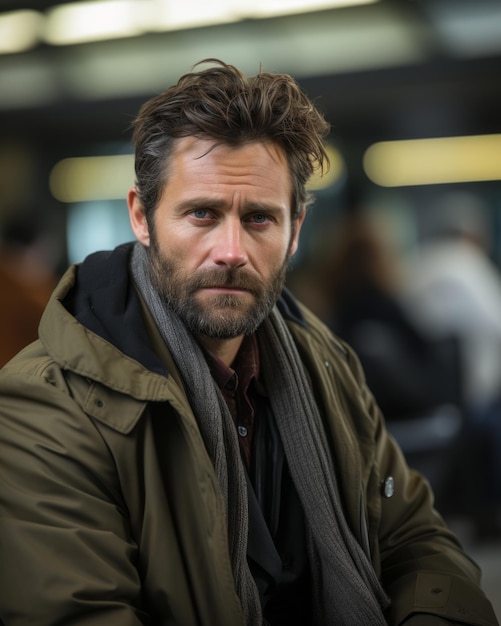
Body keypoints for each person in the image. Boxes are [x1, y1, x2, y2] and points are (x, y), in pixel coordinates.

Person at [0, 60, 497, 626]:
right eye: (202, 214)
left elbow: (415, 540)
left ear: (295, 232)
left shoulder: (327, 366)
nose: (231, 250)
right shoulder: (43, 408)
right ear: (142, 216)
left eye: (259, 218)